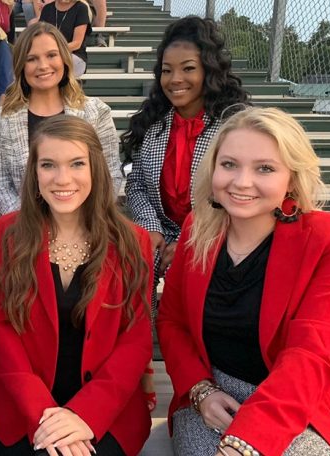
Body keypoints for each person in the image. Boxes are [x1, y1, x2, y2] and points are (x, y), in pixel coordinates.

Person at [157, 107, 330, 456]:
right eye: (229, 165)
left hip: (297, 401)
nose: (241, 182)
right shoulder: (198, 228)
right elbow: (172, 320)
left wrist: (250, 440)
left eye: (265, 168)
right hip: (214, 396)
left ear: (292, 178)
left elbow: (311, 353)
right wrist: (200, 391)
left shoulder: (327, 239)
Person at [0, 115, 153, 456]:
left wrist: (84, 414)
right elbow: (1, 328)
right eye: (48, 165)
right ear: (35, 172)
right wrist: (44, 413)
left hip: (105, 408)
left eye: (76, 164)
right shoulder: (7, 234)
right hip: (25, 403)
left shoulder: (133, 241)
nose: (62, 179)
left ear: (95, 170)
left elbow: (136, 339)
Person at [121, 15, 249, 413]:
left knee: (196, 272)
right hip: (163, 233)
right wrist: (151, 230)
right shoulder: (155, 125)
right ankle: (136, 374)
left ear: (208, 70)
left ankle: (209, 377)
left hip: (219, 235)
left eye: (188, 69)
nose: (175, 79)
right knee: (133, 260)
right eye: (167, 70)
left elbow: (237, 196)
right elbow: (137, 185)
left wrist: (192, 240)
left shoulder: (234, 125)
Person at [0, 22, 121, 216]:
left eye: (51, 55)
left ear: (64, 59)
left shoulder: (97, 111)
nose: (43, 66)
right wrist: (30, 222)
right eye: (31, 59)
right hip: (27, 231)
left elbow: (110, 176)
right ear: (21, 66)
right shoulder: (2, 119)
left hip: (86, 225)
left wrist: (78, 222)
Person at [37, 0, 91, 77]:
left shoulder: (81, 8)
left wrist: (53, 51)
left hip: (73, 55)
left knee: (55, 63)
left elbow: (77, 43)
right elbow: (40, 37)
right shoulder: (47, 9)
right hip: (48, 56)